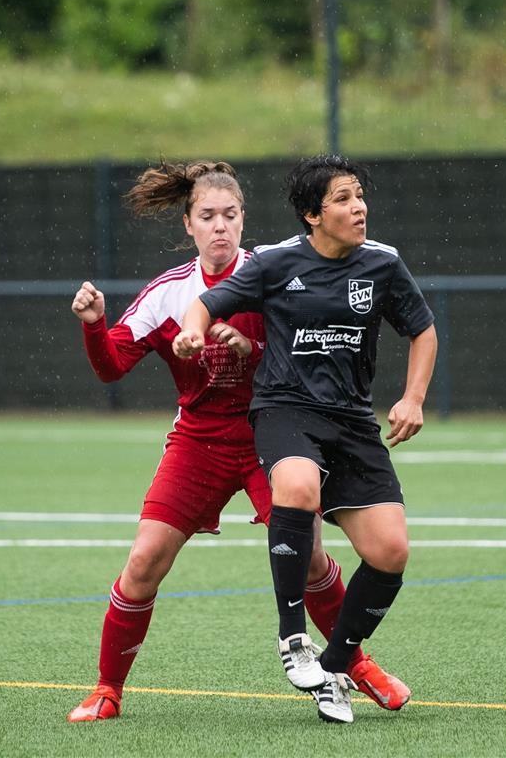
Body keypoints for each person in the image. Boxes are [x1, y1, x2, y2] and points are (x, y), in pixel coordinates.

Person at [66, 160, 409, 723]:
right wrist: (94, 324)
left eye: (230, 215)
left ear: (244, 219)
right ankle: (107, 689)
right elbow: (111, 368)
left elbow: (313, 347)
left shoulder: (274, 271)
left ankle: (354, 665)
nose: (220, 226)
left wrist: (255, 352)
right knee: (145, 558)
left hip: (271, 432)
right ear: (188, 224)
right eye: (207, 216)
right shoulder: (167, 295)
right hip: (198, 442)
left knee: (311, 557)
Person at [173, 154, 438, 724]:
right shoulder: (274, 263)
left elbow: (422, 329)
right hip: (285, 410)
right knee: (296, 485)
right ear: (312, 214)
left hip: (352, 422)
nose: (358, 207)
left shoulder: (384, 265)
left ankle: (336, 667)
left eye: (359, 195)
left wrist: (413, 397)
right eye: (343, 199)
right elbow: (205, 302)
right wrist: (193, 333)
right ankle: (292, 638)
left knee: (390, 553)